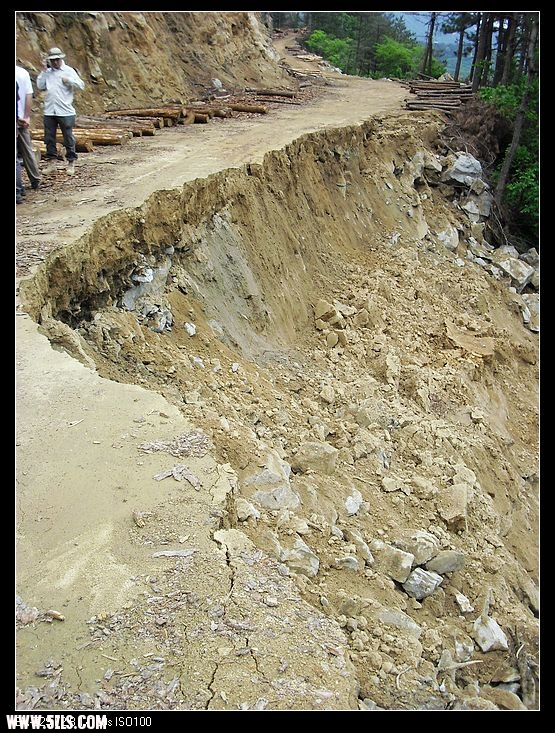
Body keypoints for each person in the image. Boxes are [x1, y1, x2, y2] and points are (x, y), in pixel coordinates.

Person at [36, 46, 85, 176]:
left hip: (65, 110)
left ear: (61, 59)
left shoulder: (68, 71)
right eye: (52, 60)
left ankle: (71, 161)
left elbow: (81, 85)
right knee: (49, 138)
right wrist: (43, 71)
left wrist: (69, 81)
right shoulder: (47, 72)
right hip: (50, 110)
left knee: (68, 137)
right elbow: (40, 86)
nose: (55, 62)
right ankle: (52, 162)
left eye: (57, 60)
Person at [16, 64, 41, 191]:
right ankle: (35, 178)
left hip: (17, 117)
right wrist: (26, 116)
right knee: (27, 150)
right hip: (22, 118)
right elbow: (28, 95)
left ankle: (17, 190)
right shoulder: (22, 72)